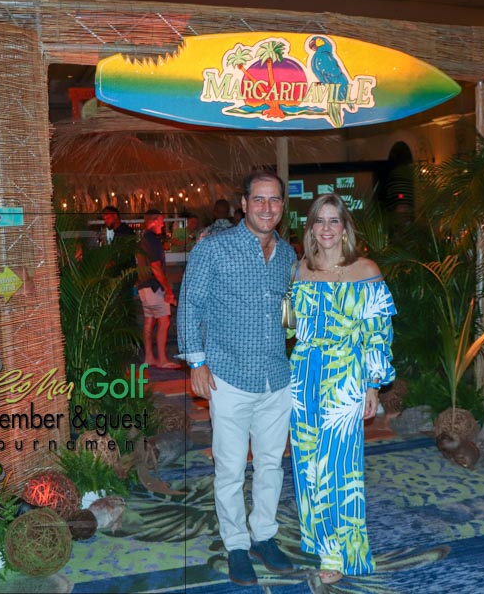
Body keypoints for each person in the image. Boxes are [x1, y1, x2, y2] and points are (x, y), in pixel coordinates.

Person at [177, 170, 297, 586]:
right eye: (259, 199)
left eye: (274, 200)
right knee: (229, 469)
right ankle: (236, 545)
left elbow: (288, 312)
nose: (267, 207)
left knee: (270, 465)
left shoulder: (287, 255)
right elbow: (190, 304)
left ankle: (263, 535)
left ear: (282, 206)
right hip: (227, 376)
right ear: (244, 204)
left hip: (276, 378)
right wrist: (196, 362)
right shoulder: (215, 248)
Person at [288, 193, 396, 585]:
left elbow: (378, 332)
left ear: (346, 227)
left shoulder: (366, 270)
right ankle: (318, 539)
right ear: (310, 228)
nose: (327, 228)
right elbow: (293, 326)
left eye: (334, 220)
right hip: (304, 374)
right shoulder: (301, 269)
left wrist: (373, 385)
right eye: (320, 220)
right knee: (306, 463)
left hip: (346, 375)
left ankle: (339, 553)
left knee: (338, 465)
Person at [136, 209, 180, 370]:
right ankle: (162, 359)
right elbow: (156, 267)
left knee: (149, 321)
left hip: (143, 286)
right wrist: (167, 289)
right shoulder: (152, 240)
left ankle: (149, 357)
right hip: (154, 287)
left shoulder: (143, 239)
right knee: (164, 321)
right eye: (161, 221)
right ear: (154, 221)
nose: (163, 224)